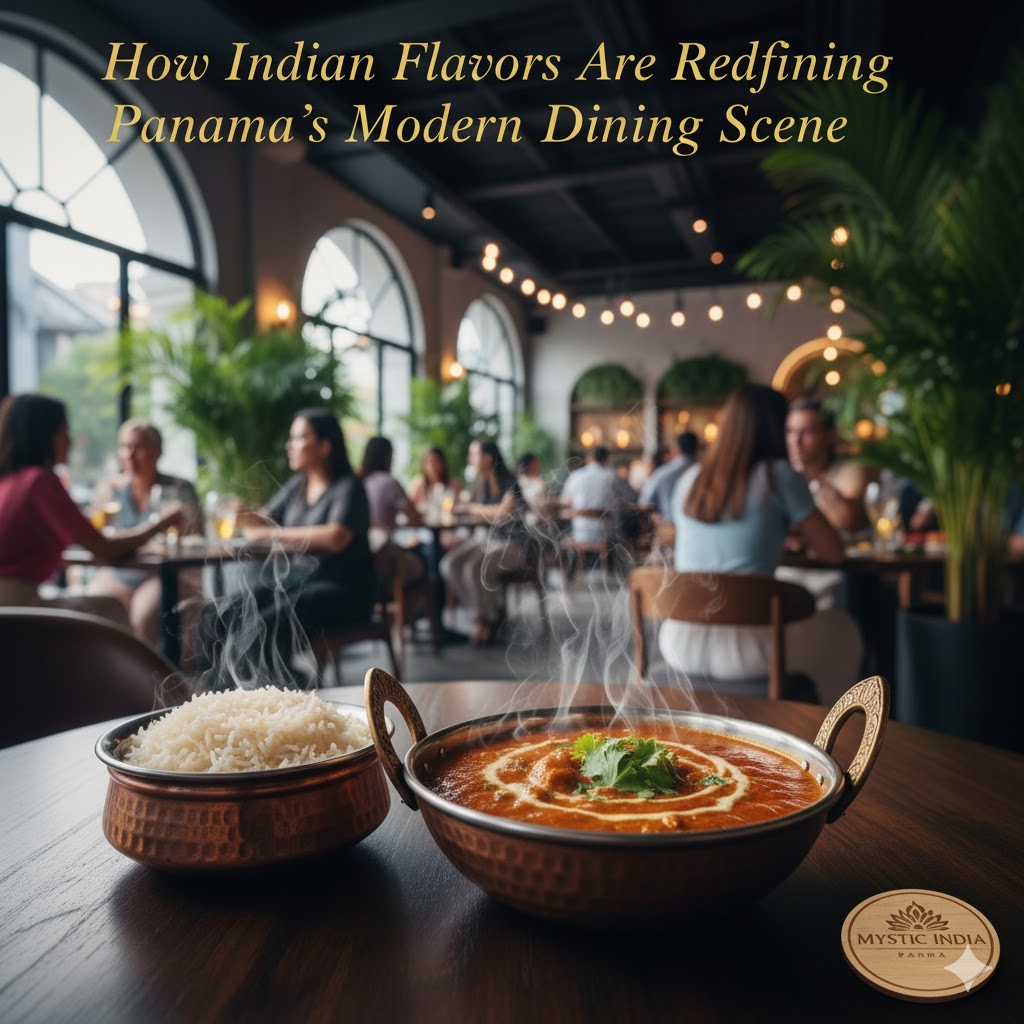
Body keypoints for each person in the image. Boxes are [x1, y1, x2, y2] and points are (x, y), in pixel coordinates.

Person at [659, 384, 861, 704]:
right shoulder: (780, 475)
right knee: (844, 629)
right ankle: (825, 731)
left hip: (679, 641)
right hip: (749, 652)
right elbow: (834, 552)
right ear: (774, 428)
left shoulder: (689, 479)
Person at [200, 409, 375, 688]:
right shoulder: (298, 486)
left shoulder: (349, 486)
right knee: (219, 613)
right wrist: (243, 513)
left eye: (298, 438)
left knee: (263, 623)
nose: (288, 445)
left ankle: (282, 691)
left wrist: (271, 532)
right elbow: (265, 520)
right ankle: (223, 694)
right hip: (298, 584)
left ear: (324, 446)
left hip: (343, 590)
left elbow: (336, 537)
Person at [0, 394, 182, 624]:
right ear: (46, 436)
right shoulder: (40, 482)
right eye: (64, 432)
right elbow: (103, 548)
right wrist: (161, 523)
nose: (70, 440)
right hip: (16, 607)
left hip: (11, 605)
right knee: (111, 609)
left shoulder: (8, 482)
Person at [85, 419, 203, 645]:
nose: (129, 455)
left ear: (157, 452)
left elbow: (196, 538)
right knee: (97, 610)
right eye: (124, 447)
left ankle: (147, 679)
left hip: (161, 575)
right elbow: (97, 535)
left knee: (144, 615)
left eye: (138, 448)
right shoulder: (109, 490)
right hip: (120, 573)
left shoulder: (179, 489)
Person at [439, 438, 527, 646]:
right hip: (487, 540)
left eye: (474, 454)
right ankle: (486, 614)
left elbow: (503, 513)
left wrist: (471, 508)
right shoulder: (480, 484)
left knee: (474, 568)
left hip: (514, 546)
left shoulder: (509, 481)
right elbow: (480, 512)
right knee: (449, 564)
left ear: (488, 458)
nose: (470, 459)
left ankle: (487, 620)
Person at [785, 397, 872, 534]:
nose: (796, 440)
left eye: (807, 432)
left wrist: (813, 477)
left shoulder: (849, 470)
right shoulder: (780, 473)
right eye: (790, 431)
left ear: (830, 435)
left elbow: (846, 521)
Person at [360, 434, 425, 592]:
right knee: (421, 562)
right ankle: (409, 614)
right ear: (388, 456)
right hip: (386, 559)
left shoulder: (358, 481)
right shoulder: (389, 482)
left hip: (362, 559)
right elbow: (415, 518)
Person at [639, 431, 699, 521]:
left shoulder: (662, 474)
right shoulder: (708, 473)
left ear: (675, 449)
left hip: (669, 528)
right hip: (704, 527)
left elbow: (644, 503)